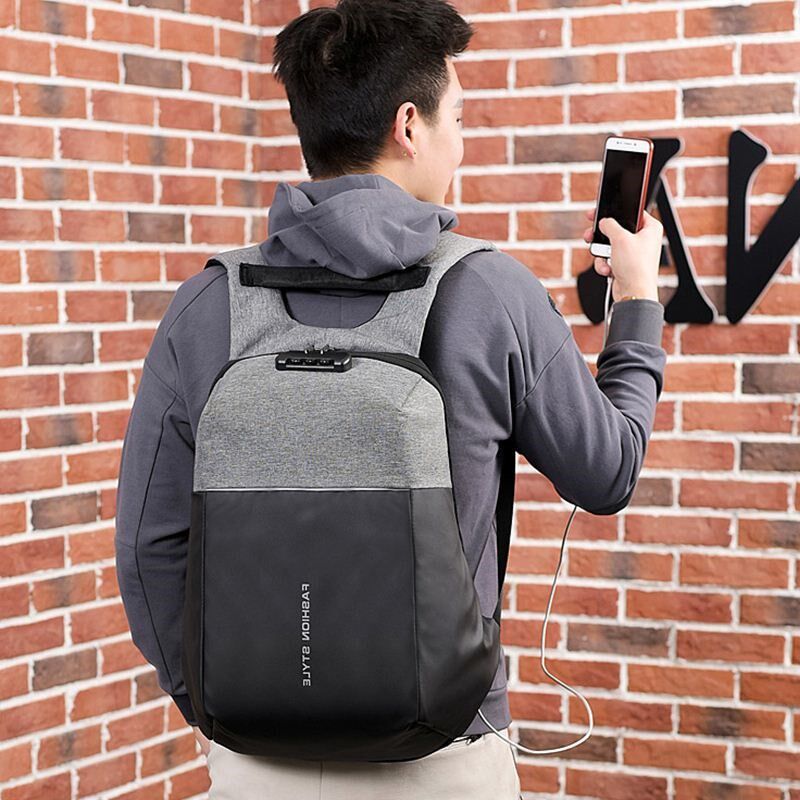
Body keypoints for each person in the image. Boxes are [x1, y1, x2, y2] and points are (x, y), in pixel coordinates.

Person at [113, 1, 666, 798]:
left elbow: (147, 546)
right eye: (458, 118)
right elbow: (608, 472)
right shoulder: (489, 292)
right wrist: (638, 300)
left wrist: (217, 701)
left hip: (256, 764)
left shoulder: (207, 306)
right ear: (411, 125)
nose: (460, 142)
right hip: (445, 757)